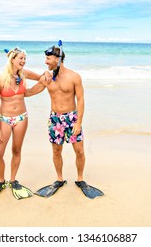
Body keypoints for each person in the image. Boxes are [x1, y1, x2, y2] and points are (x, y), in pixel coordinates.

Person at [25, 42, 104, 199]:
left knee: (79, 151)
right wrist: (13, 87)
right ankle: (59, 179)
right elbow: (29, 92)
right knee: (56, 151)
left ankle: (80, 179)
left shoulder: (74, 77)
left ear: (58, 58)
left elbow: (81, 100)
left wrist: (78, 122)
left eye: (48, 58)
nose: (45, 62)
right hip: (55, 119)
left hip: (72, 118)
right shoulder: (47, 78)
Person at [0, 47, 50, 201]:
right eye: (20, 58)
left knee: (16, 150)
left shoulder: (24, 74)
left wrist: (47, 75)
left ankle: (13, 180)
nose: (23, 61)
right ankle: (0, 181)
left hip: (21, 117)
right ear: (12, 60)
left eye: (24, 58)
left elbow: (41, 78)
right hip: (5, 119)